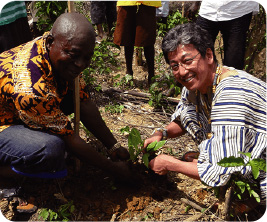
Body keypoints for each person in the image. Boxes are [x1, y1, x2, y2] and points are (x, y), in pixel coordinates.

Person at [0, 12, 131, 214]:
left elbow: (83, 101)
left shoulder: (54, 48)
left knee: (69, 97)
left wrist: (113, 146)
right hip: (3, 124)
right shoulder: (32, 86)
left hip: (14, 111)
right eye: (74, 55)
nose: (80, 64)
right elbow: (70, 139)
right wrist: (113, 169)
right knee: (51, 150)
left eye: (87, 58)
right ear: (52, 42)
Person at [144, 23, 266, 205]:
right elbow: (184, 118)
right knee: (191, 158)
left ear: (208, 55)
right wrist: (162, 133)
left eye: (187, 61)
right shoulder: (196, 84)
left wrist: (170, 164)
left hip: (261, 172)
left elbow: (222, 171)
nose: (182, 71)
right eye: (175, 65)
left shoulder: (231, 94)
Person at [186, 0, 259, 70]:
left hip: (239, 10)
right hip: (209, 9)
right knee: (199, 54)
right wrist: (196, 3)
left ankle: (230, 82)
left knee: (233, 62)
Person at [113, 0, 161, 85]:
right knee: (127, 38)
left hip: (147, 3)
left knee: (147, 39)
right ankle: (129, 73)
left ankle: (151, 76)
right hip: (127, 3)